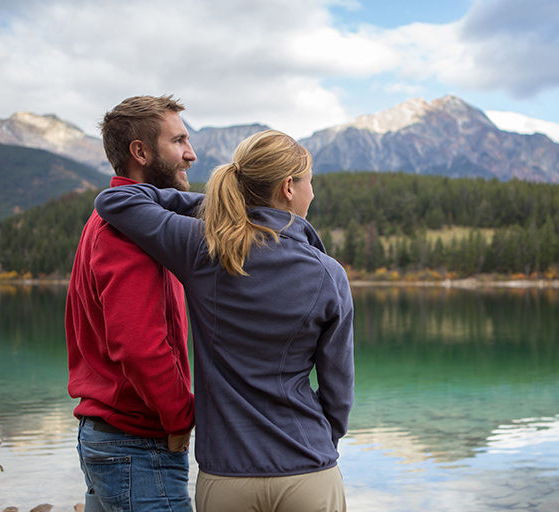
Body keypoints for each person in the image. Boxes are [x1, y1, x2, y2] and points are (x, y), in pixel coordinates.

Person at [94, 129, 354, 512]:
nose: (311, 194)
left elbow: (115, 199)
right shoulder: (329, 274)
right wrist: (320, 442)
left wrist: (231, 210)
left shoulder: (203, 247)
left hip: (226, 477)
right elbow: (338, 389)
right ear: (287, 187)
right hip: (306, 470)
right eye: (309, 183)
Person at [65, 95, 197, 511]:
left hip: (116, 439)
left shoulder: (130, 220)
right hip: (135, 443)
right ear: (140, 152)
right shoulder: (126, 232)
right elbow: (139, 345)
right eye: (178, 141)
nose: (190, 154)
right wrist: (180, 417)